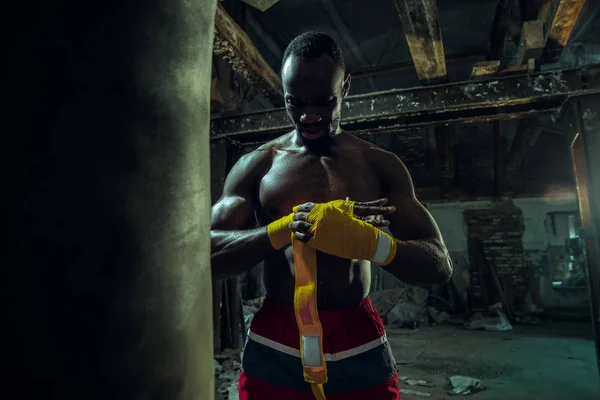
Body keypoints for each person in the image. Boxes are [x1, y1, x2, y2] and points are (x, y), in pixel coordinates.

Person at [211, 31, 452, 400]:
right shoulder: (258, 165)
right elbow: (206, 254)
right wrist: (281, 230)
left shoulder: (378, 165)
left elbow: (440, 267)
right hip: (277, 332)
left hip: (356, 332)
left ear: (346, 86)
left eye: (324, 101)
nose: (309, 115)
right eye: (295, 103)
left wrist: (375, 245)